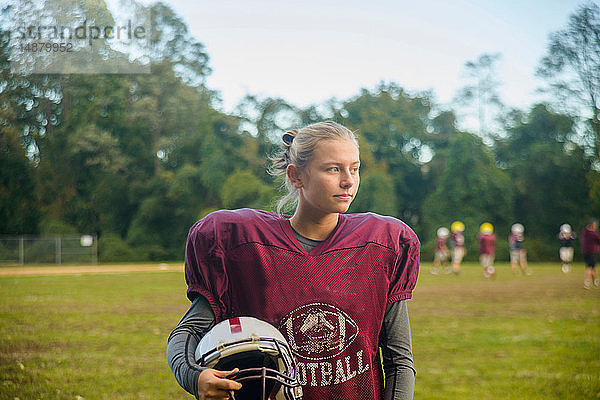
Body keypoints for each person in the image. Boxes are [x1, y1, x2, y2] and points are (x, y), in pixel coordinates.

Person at [166, 121, 421, 400]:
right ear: (296, 176)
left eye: (355, 168)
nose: (348, 180)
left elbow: (399, 360)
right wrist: (194, 377)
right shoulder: (241, 244)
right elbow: (188, 332)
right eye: (333, 169)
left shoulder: (381, 245)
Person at [581, 219, 600, 289]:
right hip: (592, 252)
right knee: (590, 267)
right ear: (592, 225)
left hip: (585, 252)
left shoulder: (584, 232)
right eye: (595, 225)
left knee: (592, 267)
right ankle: (587, 282)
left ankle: (595, 281)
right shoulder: (593, 234)